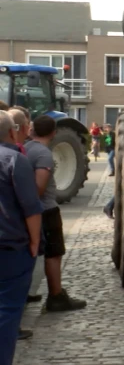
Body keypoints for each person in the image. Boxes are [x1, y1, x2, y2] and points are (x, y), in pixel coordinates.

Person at [25, 115, 87, 313]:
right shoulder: (44, 154)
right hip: (46, 210)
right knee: (54, 253)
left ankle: (26, 292)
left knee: (29, 253)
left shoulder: (24, 149)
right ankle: (56, 295)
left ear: (32, 129)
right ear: (53, 133)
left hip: (30, 211)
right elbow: (39, 189)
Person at [0, 110, 43, 364]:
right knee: (7, 312)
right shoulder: (16, 161)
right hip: (11, 248)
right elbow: (31, 207)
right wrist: (35, 241)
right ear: (13, 131)